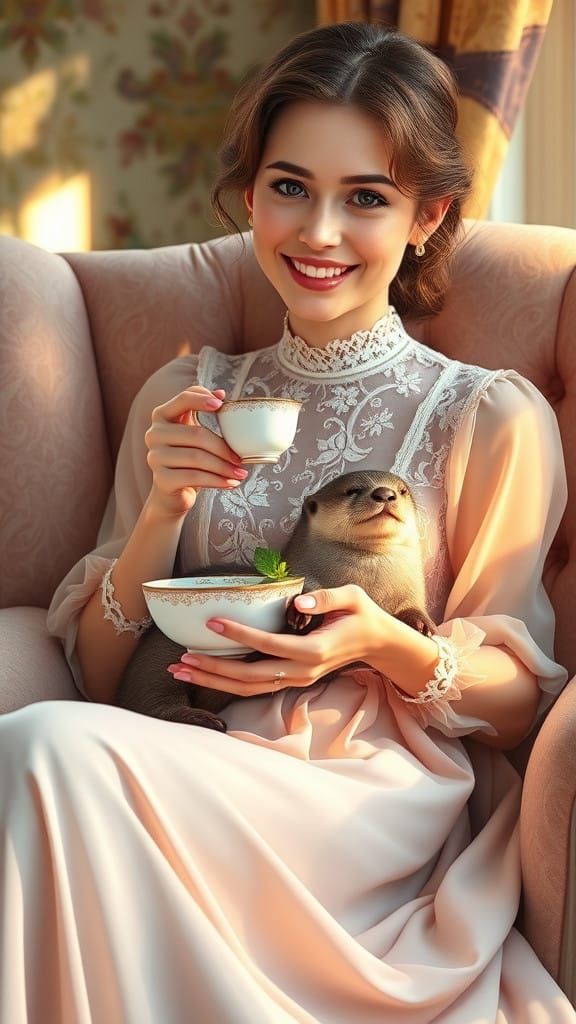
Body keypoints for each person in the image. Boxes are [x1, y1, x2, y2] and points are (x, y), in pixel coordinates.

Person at [1, 20, 574, 1023]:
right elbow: (98, 676)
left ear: (430, 217)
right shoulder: (185, 398)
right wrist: (164, 512)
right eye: (290, 186)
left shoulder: (490, 417)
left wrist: (380, 645)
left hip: (367, 803)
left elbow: (521, 699)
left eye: (366, 198)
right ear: (251, 194)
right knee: (45, 747)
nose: (317, 234)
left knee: (41, 751)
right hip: (183, 760)